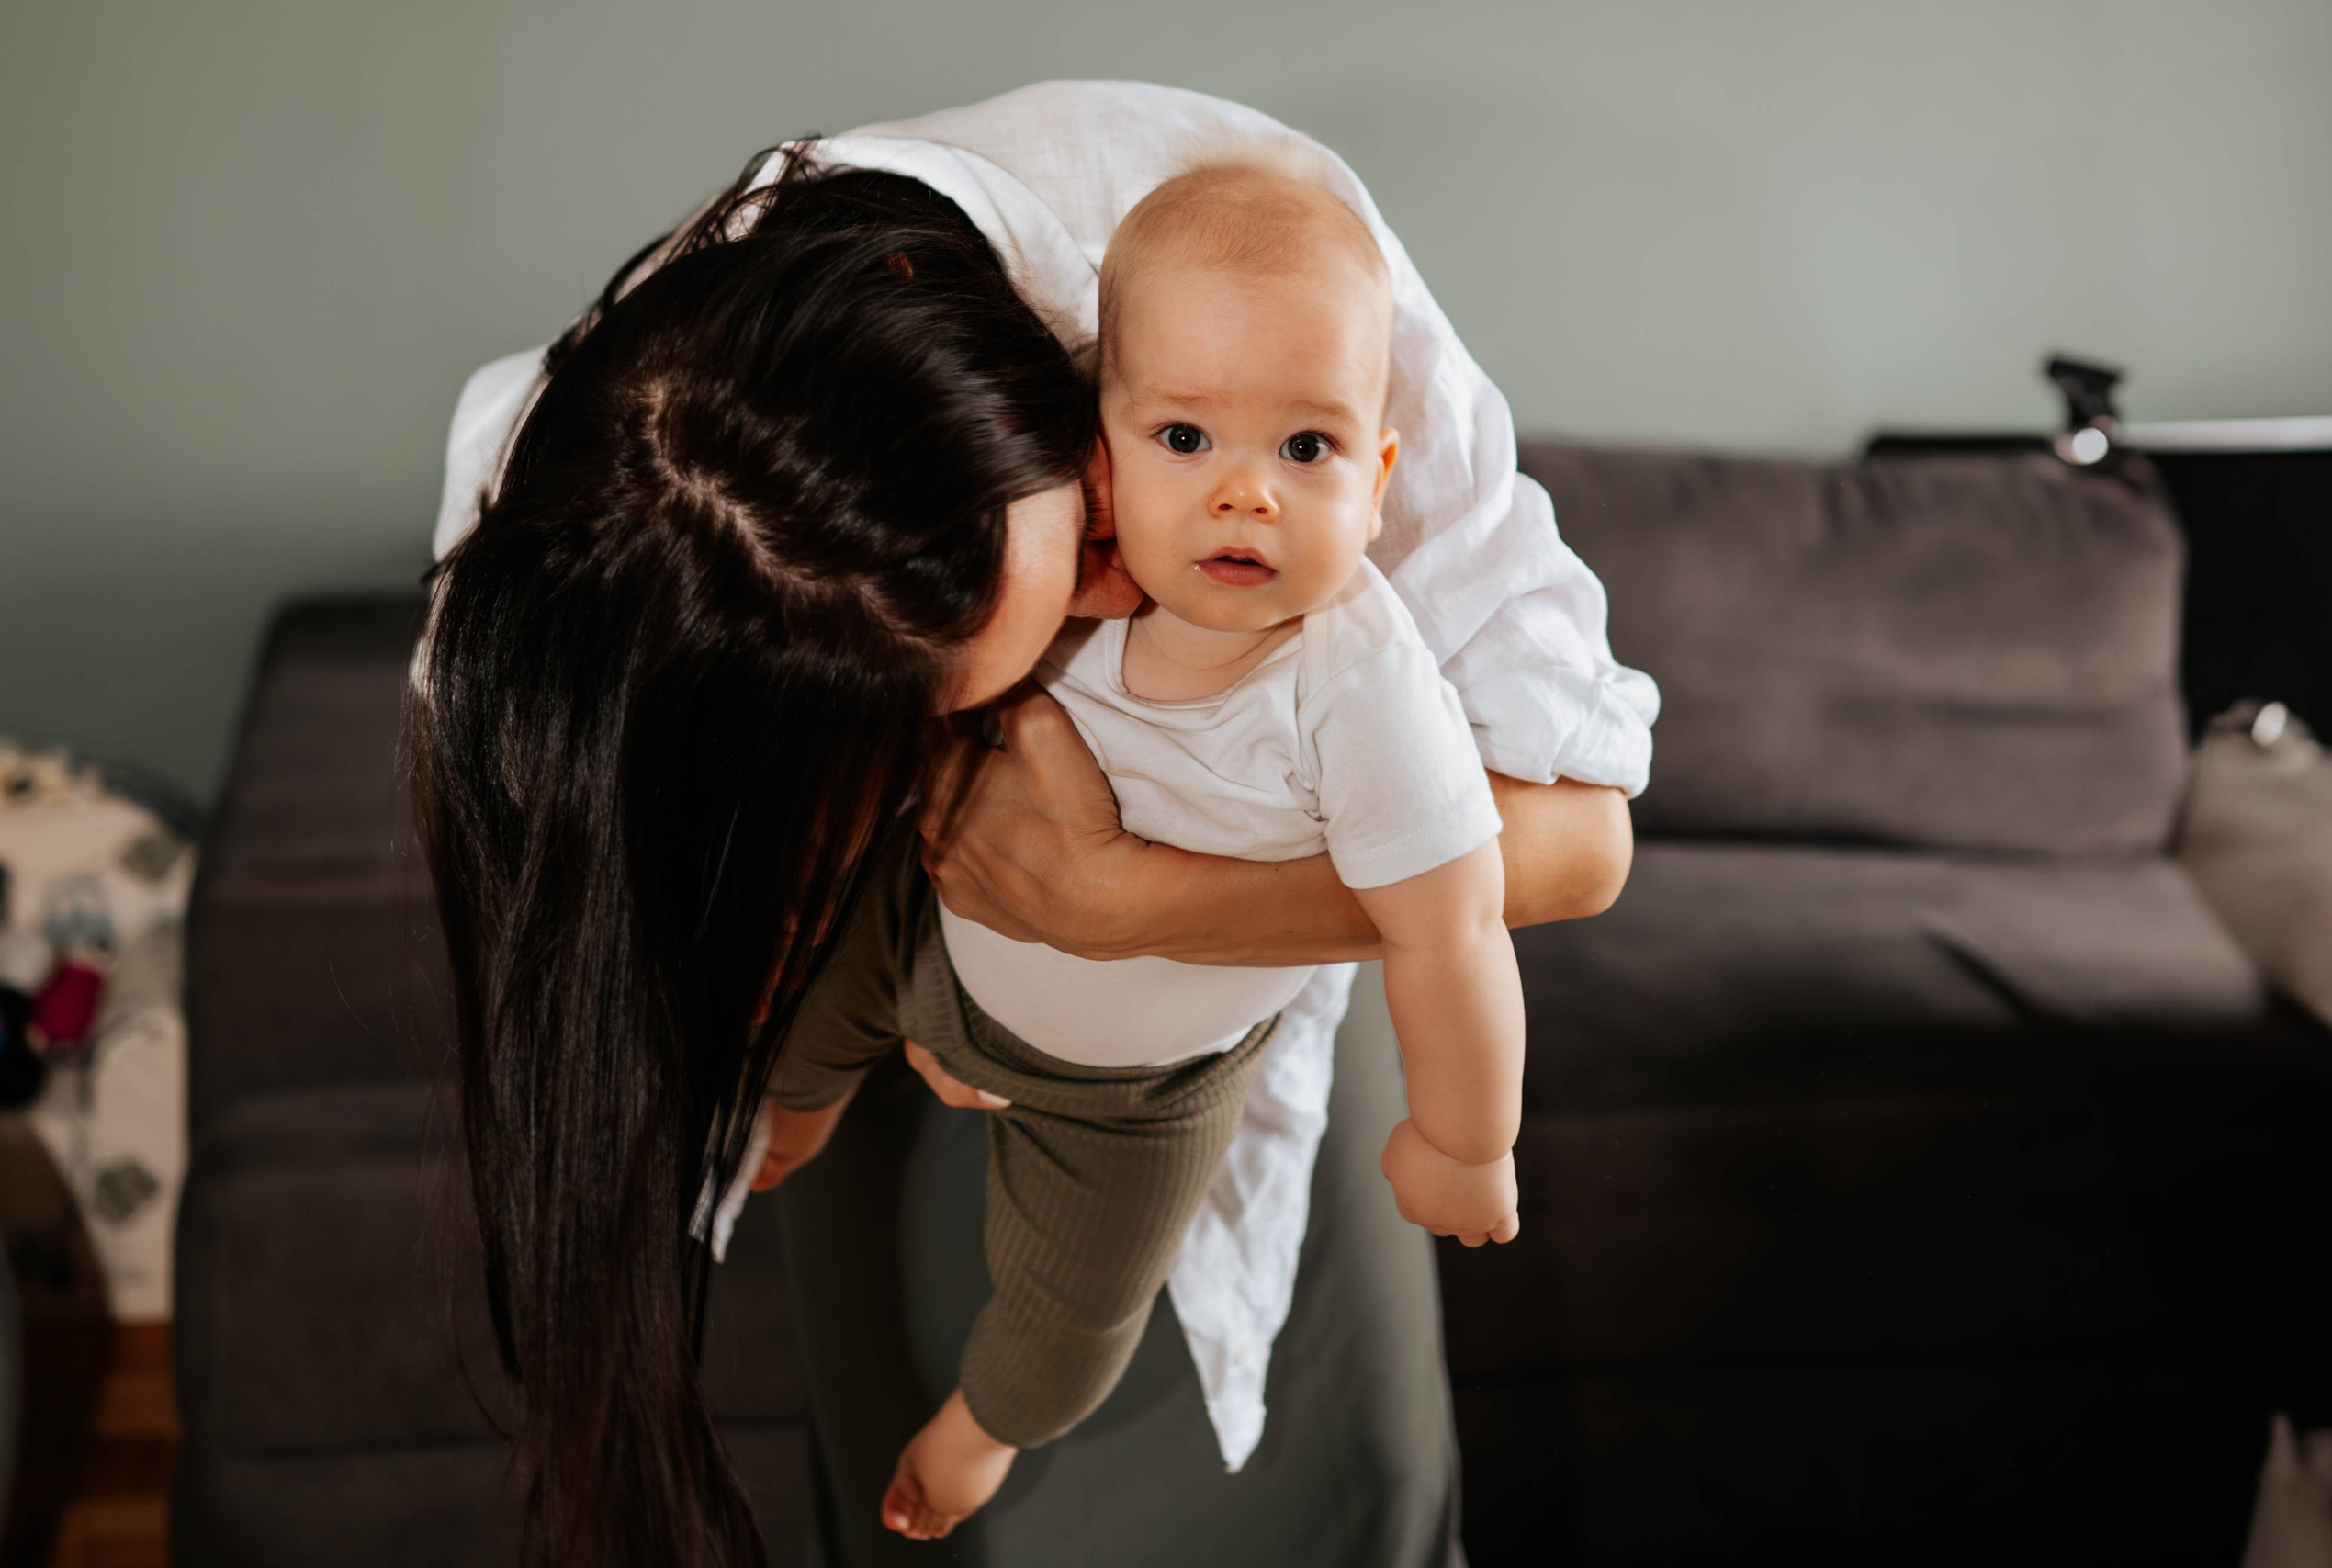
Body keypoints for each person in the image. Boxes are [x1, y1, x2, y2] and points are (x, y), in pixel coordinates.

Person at [416, 81, 1656, 1568]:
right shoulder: (611, 518)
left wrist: (1136, 904)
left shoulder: (1254, 295)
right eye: (1068, 612)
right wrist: (830, 943)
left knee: (1293, 1477)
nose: (1129, 590)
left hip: (1222, 1023)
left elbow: (1582, 845)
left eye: (1081, 548)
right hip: (902, 962)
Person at [747, 156, 1529, 1541]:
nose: (1246, 497)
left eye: (1307, 449)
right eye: (1186, 440)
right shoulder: (1057, 578)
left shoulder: (1356, 684)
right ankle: (795, 1107)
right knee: (816, 983)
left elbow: (1452, 926)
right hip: (934, 933)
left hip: (1140, 1093)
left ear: (1380, 471)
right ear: (1095, 451)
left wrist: (1463, 1141)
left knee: (1075, 1314)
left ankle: (984, 1430)